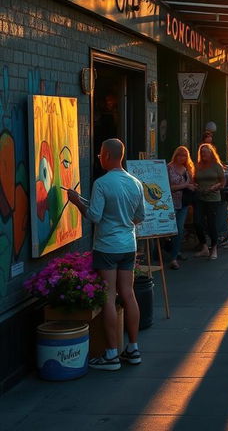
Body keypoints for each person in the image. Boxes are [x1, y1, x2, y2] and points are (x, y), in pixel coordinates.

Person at [67, 138, 145, 370]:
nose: (98, 157)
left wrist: (76, 202)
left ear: (108, 155)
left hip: (107, 246)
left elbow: (94, 217)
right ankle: (133, 348)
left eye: (100, 154)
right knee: (128, 294)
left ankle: (111, 354)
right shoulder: (135, 182)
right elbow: (139, 216)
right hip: (128, 245)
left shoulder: (101, 183)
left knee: (109, 296)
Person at [193, 143, 226, 260]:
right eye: (201, 153)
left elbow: (223, 182)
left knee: (211, 223)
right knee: (197, 222)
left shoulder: (216, 166)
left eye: (205, 152)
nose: (203, 154)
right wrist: (195, 185)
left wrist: (214, 187)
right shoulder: (197, 166)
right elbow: (193, 179)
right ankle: (204, 247)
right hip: (200, 197)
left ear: (211, 153)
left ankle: (214, 248)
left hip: (213, 198)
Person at [166, 146, 196, 269]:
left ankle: (175, 255)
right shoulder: (169, 168)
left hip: (183, 203)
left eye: (184, 155)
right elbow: (168, 187)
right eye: (180, 155)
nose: (182, 157)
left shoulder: (186, 169)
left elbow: (190, 184)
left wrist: (192, 187)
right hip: (171, 203)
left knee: (179, 229)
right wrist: (185, 186)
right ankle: (173, 253)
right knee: (171, 230)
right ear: (176, 155)